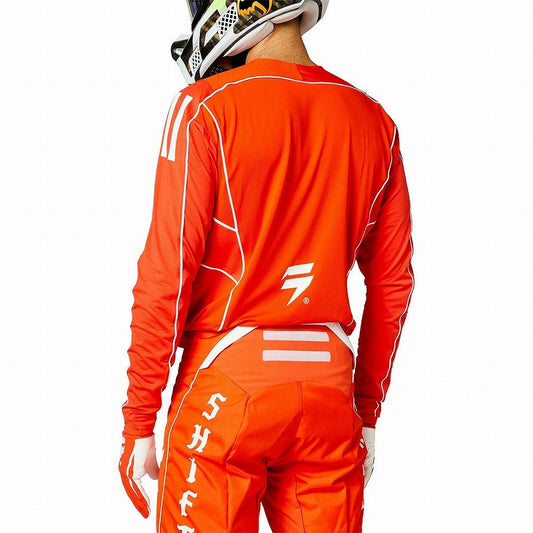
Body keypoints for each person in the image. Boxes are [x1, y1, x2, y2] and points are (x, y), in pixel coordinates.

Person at [118, 1, 414, 532]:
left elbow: (168, 272)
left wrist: (140, 417)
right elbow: (393, 282)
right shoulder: (376, 121)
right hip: (328, 391)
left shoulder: (203, 108)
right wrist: (366, 410)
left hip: (226, 384)